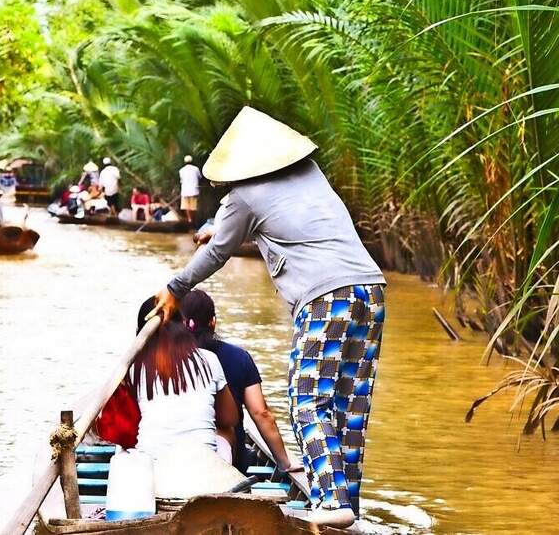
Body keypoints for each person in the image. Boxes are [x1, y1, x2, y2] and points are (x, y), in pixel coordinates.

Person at [150, 107, 385, 528]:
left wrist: (175, 287)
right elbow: (275, 221)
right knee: (349, 405)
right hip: (369, 289)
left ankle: (331, 501)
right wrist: (217, 228)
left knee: (306, 397)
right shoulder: (311, 173)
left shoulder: (243, 198)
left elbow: (220, 250)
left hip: (325, 296)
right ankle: (347, 504)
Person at [179, 289, 293, 472]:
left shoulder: (165, 361)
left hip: (176, 455)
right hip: (231, 460)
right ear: (213, 322)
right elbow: (260, 413)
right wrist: (284, 463)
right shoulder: (239, 357)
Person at [129, 298, 242, 474]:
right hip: (202, 467)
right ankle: (225, 479)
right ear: (184, 326)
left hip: (153, 466)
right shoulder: (209, 359)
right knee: (227, 432)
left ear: (140, 333)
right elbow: (230, 419)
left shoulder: (134, 366)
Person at [178, 155, 201, 222]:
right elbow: (200, 177)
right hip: (194, 190)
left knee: (186, 206)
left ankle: (189, 219)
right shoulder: (196, 169)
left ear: (185, 162)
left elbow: (181, 180)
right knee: (193, 207)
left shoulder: (181, 170)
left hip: (185, 191)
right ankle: (192, 219)